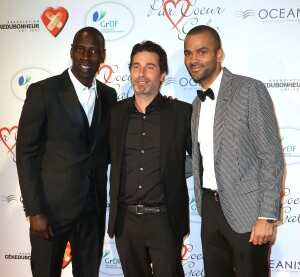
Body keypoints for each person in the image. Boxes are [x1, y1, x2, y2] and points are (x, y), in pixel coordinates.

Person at [16, 26, 117, 277]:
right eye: (80, 50)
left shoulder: (109, 95)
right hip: (50, 212)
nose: (86, 57)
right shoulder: (43, 92)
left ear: (103, 56)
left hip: (92, 211)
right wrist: (35, 210)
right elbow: (26, 153)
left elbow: (109, 148)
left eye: (94, 51)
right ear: (71, 51)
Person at [184, 25, 284, 277]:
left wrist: (267, 216)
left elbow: (270, 156)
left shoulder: (248, 90)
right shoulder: (197, 103)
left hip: (248, 214)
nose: (193, 60)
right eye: (188, 53)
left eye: (201, 51)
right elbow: (203, 158)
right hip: (210, 211)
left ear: (219, 55)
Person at [107, 40, 192, 277]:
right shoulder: (115, 113)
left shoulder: (182, 113)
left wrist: (173, 169)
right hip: (126, 221)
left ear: (163, 74)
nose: (141, 73)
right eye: (136, 66)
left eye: (149, 67)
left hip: (165, 220)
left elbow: (200, 158)